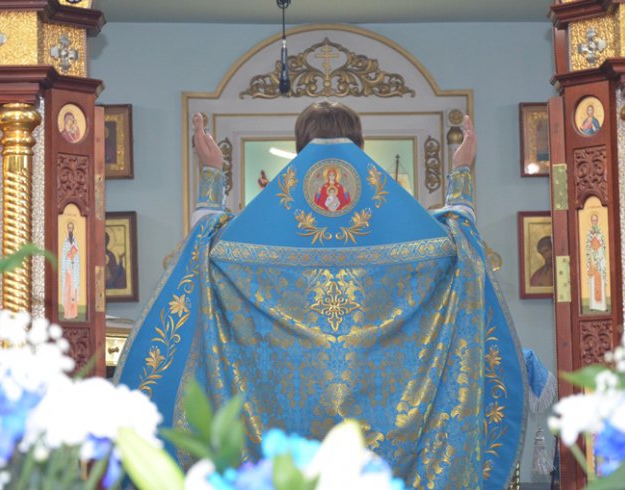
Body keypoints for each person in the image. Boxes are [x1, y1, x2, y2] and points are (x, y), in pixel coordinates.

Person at [116, 101, 525, 489]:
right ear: (361, 144)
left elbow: (205, 247)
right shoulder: (410, 235)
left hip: (283, 426)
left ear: (298, 147)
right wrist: (461, 175)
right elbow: (460, 246)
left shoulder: (254, 237)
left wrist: (211, 174)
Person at [587, 213, 608, 311]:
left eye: (595, 220)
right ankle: (594, 306)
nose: (594, 222)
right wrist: (592, 257)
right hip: (593, 262)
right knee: (593, 283)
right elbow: (588, 248)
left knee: (600, 283)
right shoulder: (589, 234)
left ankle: (602, 306)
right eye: (593, 220)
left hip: (600, 261)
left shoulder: (600, 234)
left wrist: (600, 257)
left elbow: (603, 247)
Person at [61, 221, 80, 319]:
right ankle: (67, 314)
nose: (70, 230)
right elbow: (63, 256)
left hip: (74, 269)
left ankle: (74, 313)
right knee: (68, 291)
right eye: (69, 228)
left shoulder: (75, 241)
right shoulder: (65, 242)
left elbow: (77, 256)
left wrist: (74, 257)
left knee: (74, 290)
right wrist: (68, 255)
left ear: (73, 229)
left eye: (71, 228)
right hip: (67, 271)